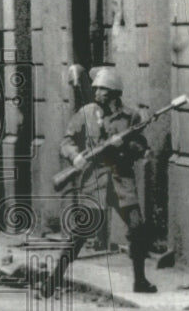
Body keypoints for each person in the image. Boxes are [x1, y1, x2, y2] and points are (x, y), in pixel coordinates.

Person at [51, 67, 157, 296]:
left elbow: (140, 145)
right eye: (97, 89)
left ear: (115, 93)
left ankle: (140, 281)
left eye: (103, 90)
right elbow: (66, 141)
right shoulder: (86, 113)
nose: (97, 93)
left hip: (121, 180)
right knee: (81, 233)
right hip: (95, 179)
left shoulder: (130, 117)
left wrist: (129, 147)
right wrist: (75, 156)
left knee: (137, 229)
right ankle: (54, 278)